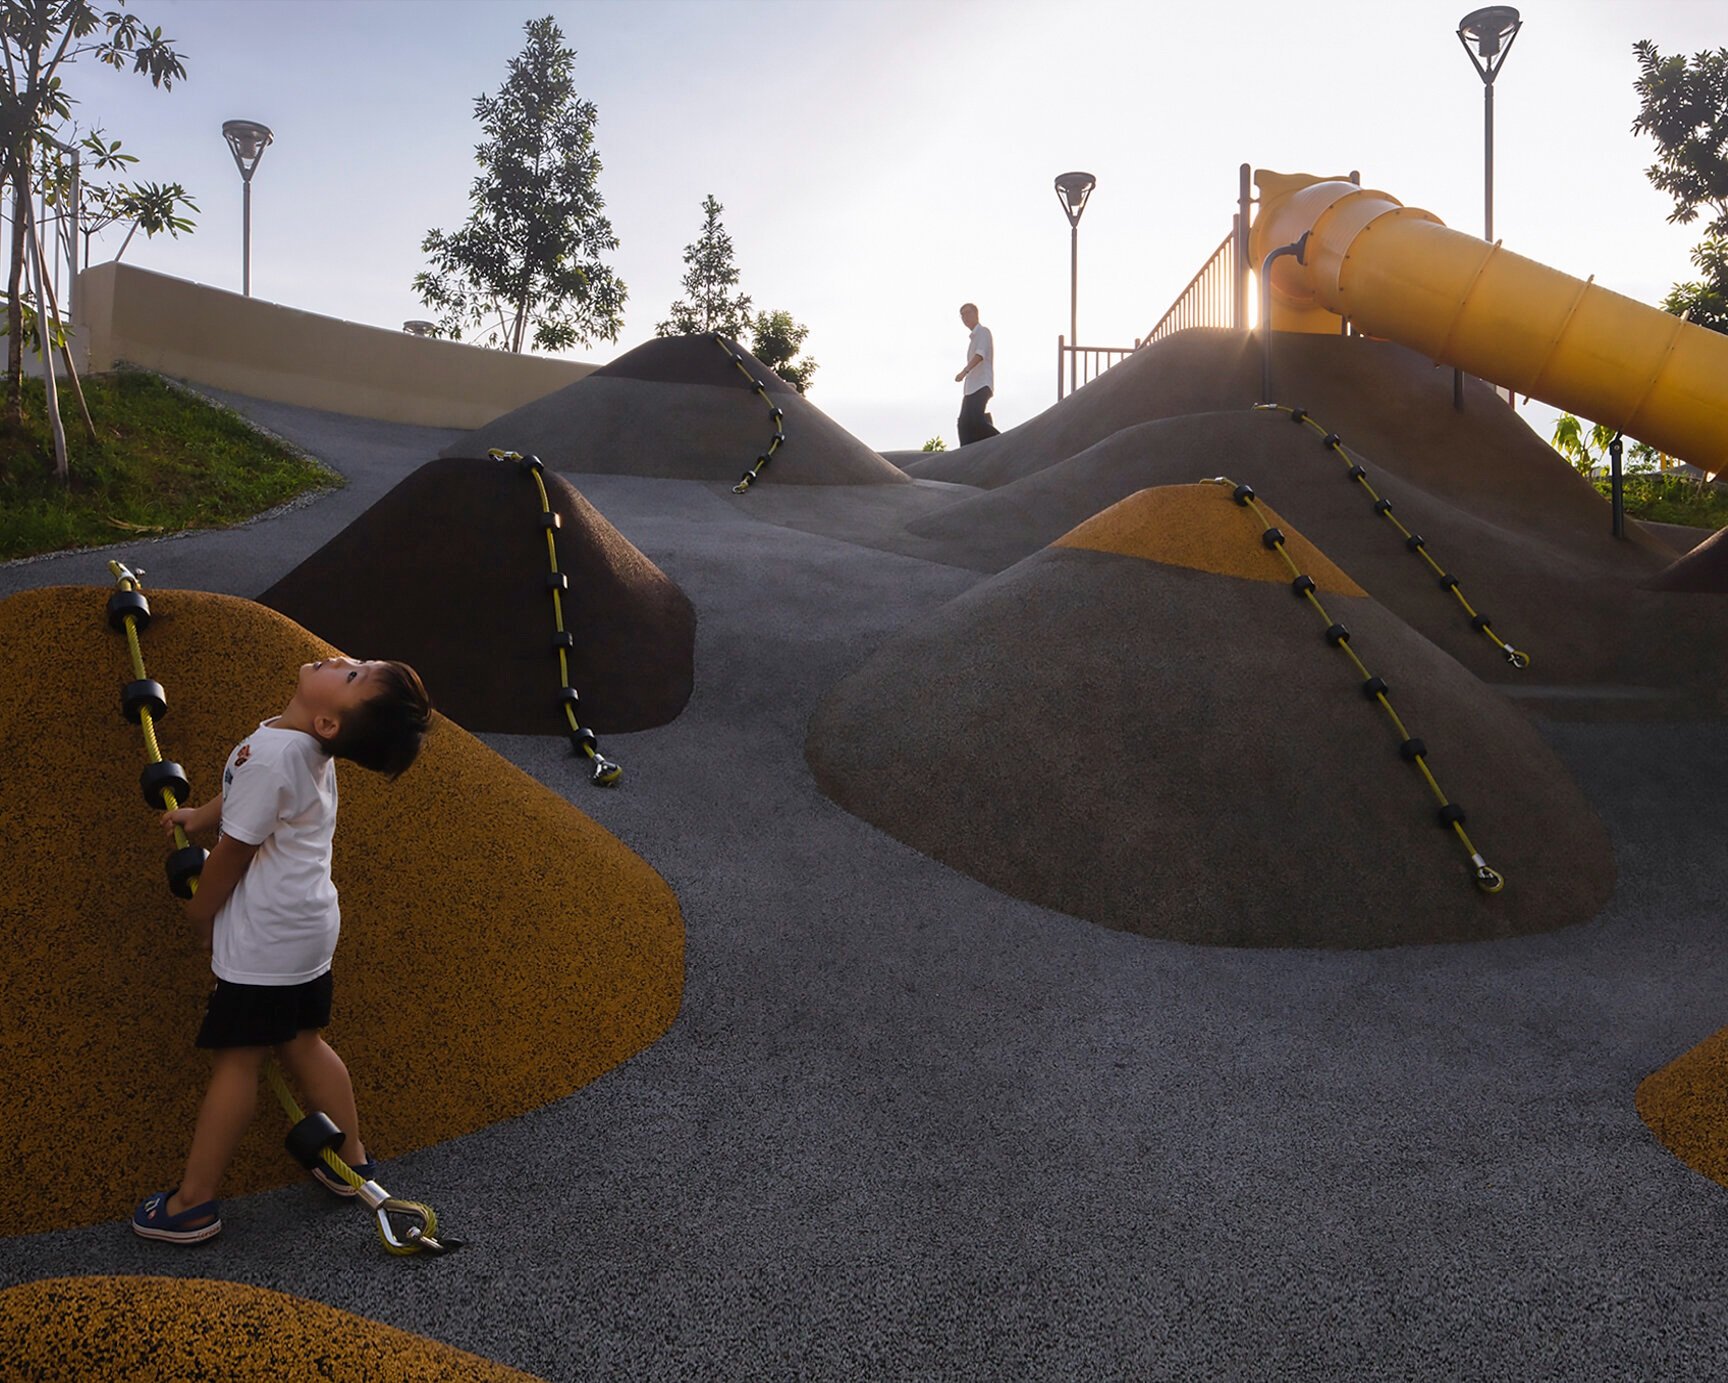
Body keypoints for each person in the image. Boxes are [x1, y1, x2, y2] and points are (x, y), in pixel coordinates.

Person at [131, 655, 433, 1245]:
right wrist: (200, 817)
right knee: (303, 1041)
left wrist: (200, 915)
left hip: (267, 939)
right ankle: (352, 1160)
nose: (341, 660)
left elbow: (236, 852)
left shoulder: (277, 754)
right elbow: (247, 800)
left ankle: (193, 1203)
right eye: (357, 662)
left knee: (239, 1061)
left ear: (329, 724)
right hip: (307, 928)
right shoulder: (294, 744)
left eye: (351, 675)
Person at [954, 302, 1001, 446]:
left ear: (976, 314)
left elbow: (980, 355)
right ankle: (968, 452)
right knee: (964, 424)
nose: (965, 317)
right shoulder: (974, 337)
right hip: (971, 388)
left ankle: (1001, 441)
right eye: (962, 315)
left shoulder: (983, 332)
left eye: (968, 313)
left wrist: (964, 371)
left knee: (976, 420)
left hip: (981, 384)